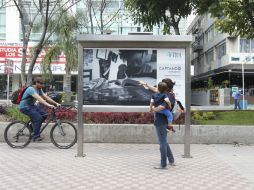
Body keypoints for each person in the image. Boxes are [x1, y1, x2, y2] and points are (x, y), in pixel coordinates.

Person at [140, 78, 178, 169]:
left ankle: (163, 164)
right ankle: (171, 160)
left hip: (161, 122)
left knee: (162, 142)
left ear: (166, 87)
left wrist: (152, 109)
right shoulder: (164, 93)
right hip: (162, 121)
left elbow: (162, 107)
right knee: (164, 140)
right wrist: (145, 83)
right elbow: (154, 89)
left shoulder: (168, 96)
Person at [19, 77, 61, 141]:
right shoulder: (31, 89)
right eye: (41, 83)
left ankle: (32, 127)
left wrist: (56, 103)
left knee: (44, 114)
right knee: (38, 118)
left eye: (43, 83)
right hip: (24, 107)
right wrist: (48, 105)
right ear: (36, 83)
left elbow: (46, 97)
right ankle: (36, 136)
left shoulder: (39, 89)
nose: (42, 85)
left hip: (31, 106)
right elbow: (39, 98)